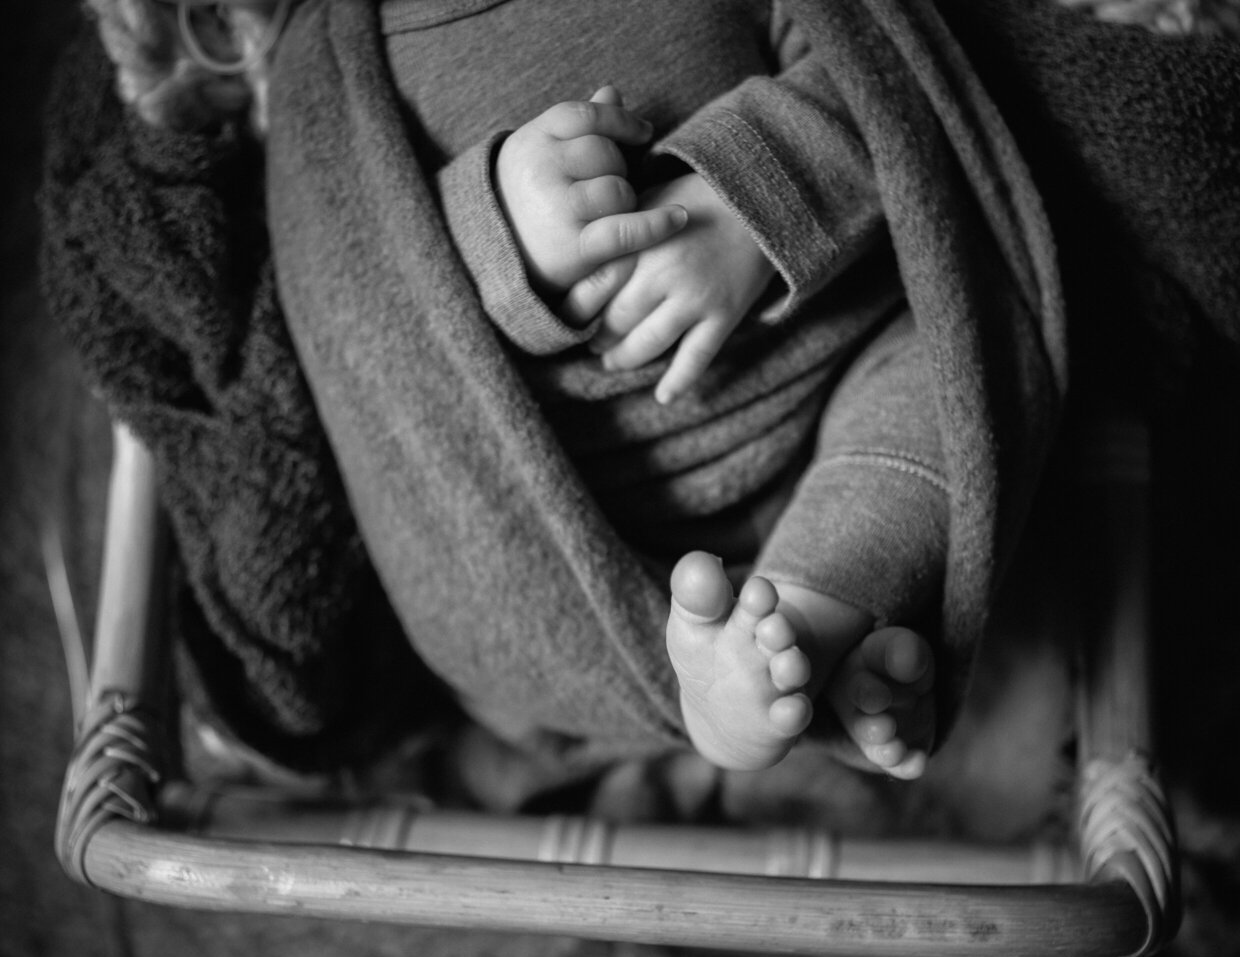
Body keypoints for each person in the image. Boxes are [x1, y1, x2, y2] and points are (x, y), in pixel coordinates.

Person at [403, 0, 951, 778]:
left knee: (973, 336)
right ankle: (778, 659)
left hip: (839, 353)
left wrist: (745, 202)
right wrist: (500, 227)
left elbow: (894, 60)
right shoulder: (349, 45)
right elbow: (370, 272)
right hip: (577, 508)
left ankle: (806, 616)